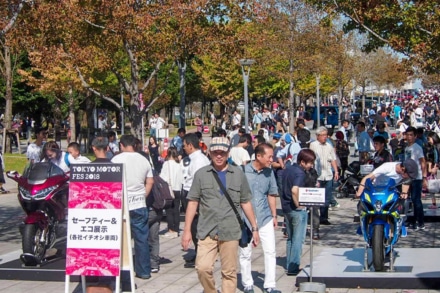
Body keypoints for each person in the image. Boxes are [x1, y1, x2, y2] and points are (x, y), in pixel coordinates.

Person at [181, 136, 260, 293]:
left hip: (230, 229)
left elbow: (245, 202)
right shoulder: (201, 174)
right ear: (209, 153)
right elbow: (193, 202)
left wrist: (254, 227)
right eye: (215, 152)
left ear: (228, 154)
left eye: (222, 153)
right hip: (206, 229)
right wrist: (187, 229)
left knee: (229, 272)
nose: (219, 156)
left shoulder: (238, 174)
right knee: (202, 268)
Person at [111, 134, 154, 279]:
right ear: (134, 145)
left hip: (121, 204)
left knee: (120, 239)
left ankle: (121, 271)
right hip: (139, 203)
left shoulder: (116, 160)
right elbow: (150, 181)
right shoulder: (144, 159)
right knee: (141, 239)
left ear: (121, 145)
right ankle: (143, 271)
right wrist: (143, 195)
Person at [240, 143, 280, 293]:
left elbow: (271, 194)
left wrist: (274, 215)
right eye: (269, 156)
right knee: (245, 252)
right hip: (245, 218)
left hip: (265, 217)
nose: (272, 159)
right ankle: (247, 283)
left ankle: (270, 284)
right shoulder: (242, 171)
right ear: (258, 156)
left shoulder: (269, 173)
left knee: (270, 251)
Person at [281, 149, 316, 275]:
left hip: (285, 207)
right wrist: (299, 204)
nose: (311, 165)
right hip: (295, 209)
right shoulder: (300, 173)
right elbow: (295, 190)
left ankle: (289, 264)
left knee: (290, 238)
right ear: (302, 162)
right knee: (298, 239)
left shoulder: (288, 169)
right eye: (310, 163)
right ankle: (294, 266)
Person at [181, 133, 210, 268]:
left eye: (185, 146)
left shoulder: (199, 161)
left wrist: (197, 203)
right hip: (191, 195)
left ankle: (201, 255)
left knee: (196, 227)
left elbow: (200, 183)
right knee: (195, 228)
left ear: (190, 145)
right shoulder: (195, 159)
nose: (184, 148)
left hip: (195, 198)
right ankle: (199, 253)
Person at [309, 127, 339, 226]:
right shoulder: (313, 145)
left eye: (326, 135)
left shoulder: (329, 146)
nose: (325, 137)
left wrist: (336, 171)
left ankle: (324, 217)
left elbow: (333, 159)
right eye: (323, 135)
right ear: (318, 136)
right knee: (317, 198)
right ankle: (314, 217)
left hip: (328, 174)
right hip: (318, 176)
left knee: (326, 197)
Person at [404, 126, 427, 230]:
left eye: (411, 135)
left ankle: (420, 222)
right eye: (407, 135)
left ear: (415, 136)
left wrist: (424, 177)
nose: (409, 137)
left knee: (416, 199)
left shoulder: (417, 147)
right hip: (408, 177)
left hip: (417, 177)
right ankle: (413, 220)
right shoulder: (406, 148)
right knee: (410, 200)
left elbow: (423, 162)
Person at [160, 147, 183, 238]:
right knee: (176, 210)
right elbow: (182, 178)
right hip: (177, 189)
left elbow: (162, 177)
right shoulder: (179, 165)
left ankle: (171, 229)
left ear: (168, 154)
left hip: (169, 189)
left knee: (169, 210)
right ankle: (176, 229)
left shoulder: (166, 164)